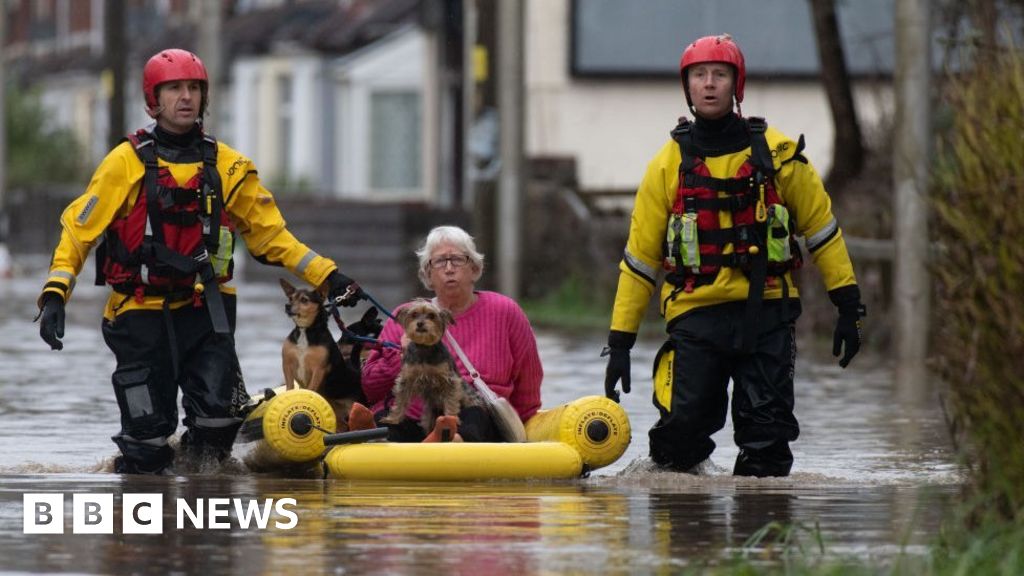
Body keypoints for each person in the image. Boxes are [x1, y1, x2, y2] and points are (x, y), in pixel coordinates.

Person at [35, 48, 364, 474]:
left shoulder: (229, 167)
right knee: (147, 443)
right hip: (139, 313)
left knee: (216, 426)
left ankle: (200, 520)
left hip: (206, 311)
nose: (186, 97)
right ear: (153, 100)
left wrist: (328, 275)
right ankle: (146, 515)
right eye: (174, 89)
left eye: (193, 88)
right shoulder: (124, 163)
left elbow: (271, 236)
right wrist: (56, 293)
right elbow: (79, 231)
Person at [602, 34, 865, 477]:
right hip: (695, 315)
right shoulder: (665, 166)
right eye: (699, 75)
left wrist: (848, 305)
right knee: (680, 439)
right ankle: (687, 535)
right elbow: (641, 261)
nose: (709, 84)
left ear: (735, 84)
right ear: (687, 86)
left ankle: (760, 538)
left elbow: (823, 232)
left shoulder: (780, 155)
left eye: (719, 75)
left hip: (768, 314)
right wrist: (620, 341)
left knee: (768, 439)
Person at [361, 225, 543, 441]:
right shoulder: (404, 316)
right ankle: (371, 432)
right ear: (428, 274)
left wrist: (520, 428)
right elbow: (370, 387)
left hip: (474, 414)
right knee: (392, 419)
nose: (449, 268)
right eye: (439, 262)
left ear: (474, 269)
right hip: (413, 417)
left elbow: (528, 387)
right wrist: (400, 356)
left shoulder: (505, 311)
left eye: (457, 260)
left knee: (474, 416)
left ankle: (448, 439)